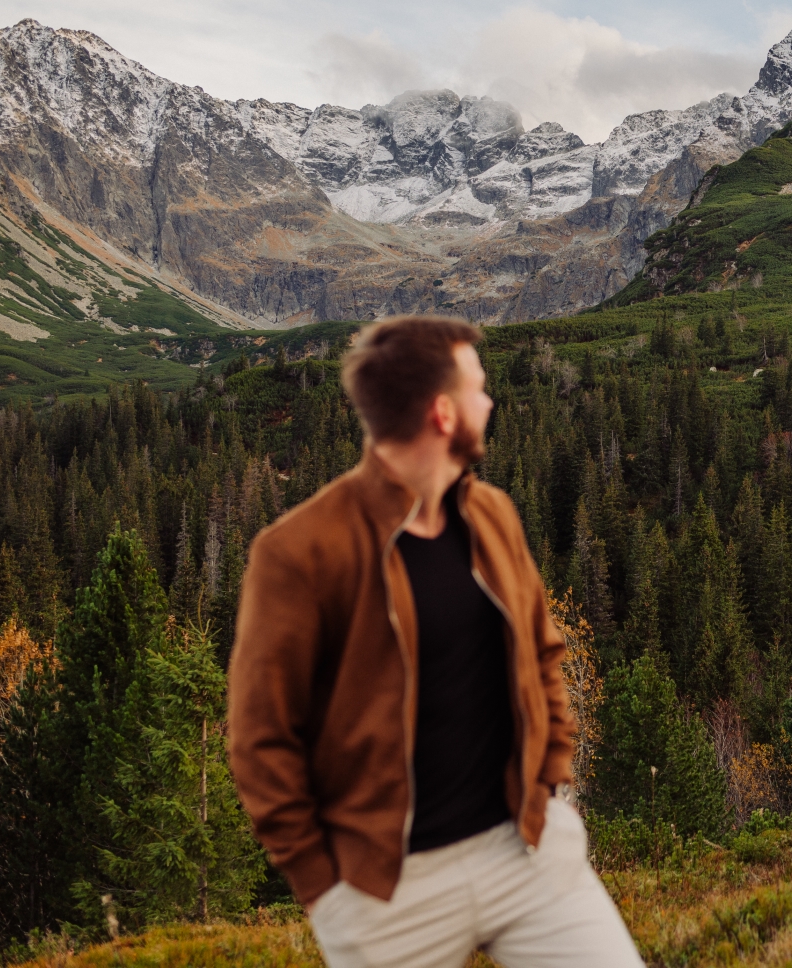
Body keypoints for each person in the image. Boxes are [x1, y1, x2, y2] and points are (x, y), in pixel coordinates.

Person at [228, 315, 644, 968]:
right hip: (390, 896)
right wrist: (325, 890)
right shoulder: (298, 553)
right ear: (443, 414)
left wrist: (551, 789)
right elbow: (260, 740)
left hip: (526, 854)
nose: (491, 402)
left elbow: (542, 655)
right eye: (479, 389)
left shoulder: (491, 515)